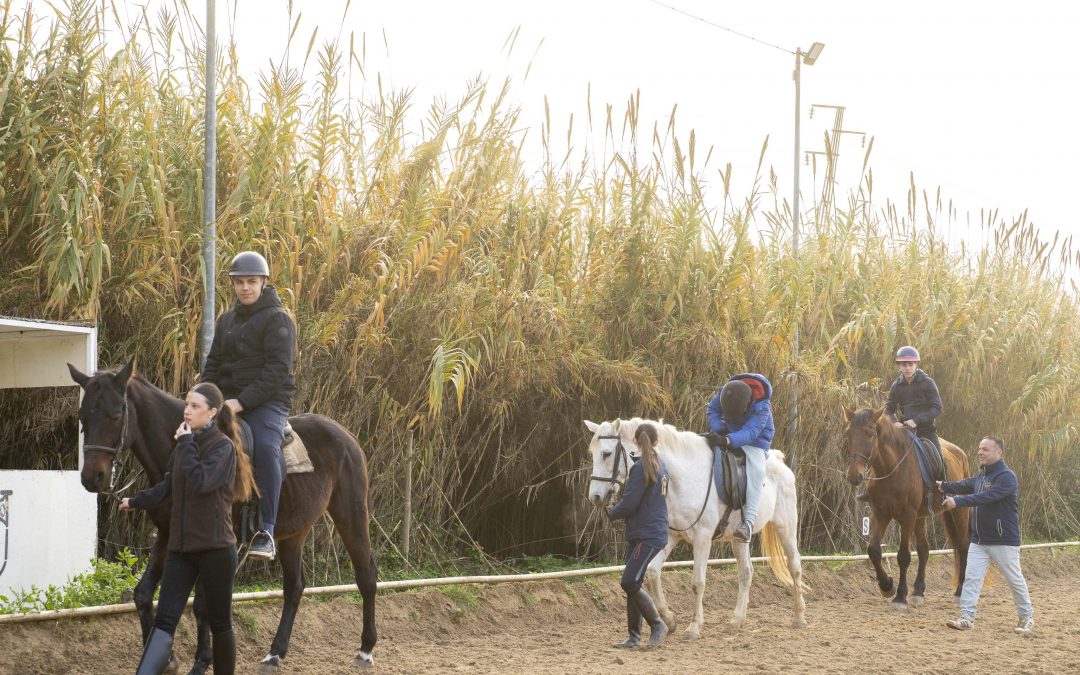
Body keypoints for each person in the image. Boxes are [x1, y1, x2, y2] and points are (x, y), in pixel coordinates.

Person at [121, 382, 257, 675]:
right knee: (164, 622)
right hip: (181, 550)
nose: (187, 411)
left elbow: (201, 482)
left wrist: (184, 444)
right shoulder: (184, 445)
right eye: (186, 405)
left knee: (220, 623)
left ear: (211, 413)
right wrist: (135, 500)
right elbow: (168, 487)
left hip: (216, 550)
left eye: (195, 406)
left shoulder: (223, 448)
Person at [201, 250, 296, 560]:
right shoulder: (227, 320)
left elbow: (276, 371)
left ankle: (266, 529)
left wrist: (240, 402)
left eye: (251, 282)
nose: (245, 288)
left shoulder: (278, 318)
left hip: (268, 402)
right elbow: (213, 364)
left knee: (267, 448)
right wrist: (203, 399)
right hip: (227, 401)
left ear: (264, 282)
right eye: (239, 282)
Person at [940, 436, 1034, 635]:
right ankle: (966, 618)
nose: (980, 452)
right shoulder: (982, 477)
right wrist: (943, 485)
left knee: (1014, 579)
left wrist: (957, 501)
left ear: (998, 453)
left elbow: (985, 497)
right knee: (971, 578)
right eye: (980, 449)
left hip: (1003, 540)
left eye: (985, 449)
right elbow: (965, 484)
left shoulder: (1007, 477)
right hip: (979, 540)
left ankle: (1026, 618)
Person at [606, 423, 670, 649]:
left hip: (647, 536)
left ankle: (657, 625)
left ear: (634, 440)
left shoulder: (640, 468)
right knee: (634, 582)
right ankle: (633, 636)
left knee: (629, 581)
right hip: (647, 533)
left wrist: (611, 512)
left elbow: (630, 502)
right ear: (656, 441)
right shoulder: (660, 466)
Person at [857, 345, 944, 501]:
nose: (907, 368)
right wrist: (894, 422)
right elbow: (889, 409)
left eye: (910, 364)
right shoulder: (896, 386)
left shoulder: (927, 383)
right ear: (899, 366)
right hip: (904, 430)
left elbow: (937, 408)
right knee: (879, 450)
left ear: (916, 364)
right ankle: (870, 489)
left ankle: (944, 490)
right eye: (904, 364)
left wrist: (916, 420)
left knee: (938, 460)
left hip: (926, 430)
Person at [706, 373, 774, 543]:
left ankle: (748, 523)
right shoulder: (726, 392)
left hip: (755, 442)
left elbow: (751, 432)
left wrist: (728, 440)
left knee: (757, 471)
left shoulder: (762, 406)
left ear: (748, 403)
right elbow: (712, 410)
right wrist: (719, 429)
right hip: (728, 433)